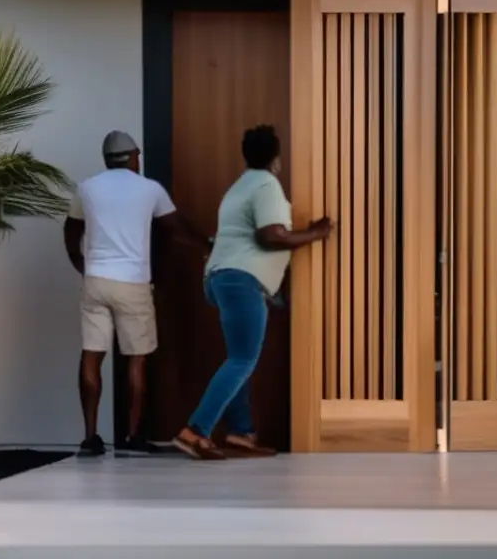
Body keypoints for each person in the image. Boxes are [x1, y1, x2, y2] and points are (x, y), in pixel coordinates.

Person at [173, 124, 332, 461]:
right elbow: (270, 236)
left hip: (222, 277)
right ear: (276, 158)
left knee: (238, 359)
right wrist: (315, 234)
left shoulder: (239, 187)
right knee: (242, 359)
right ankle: (195, 432)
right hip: (240, 279)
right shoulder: (266, 184)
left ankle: (241, 433)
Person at [64, 130, 210, 457]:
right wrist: (207, 247)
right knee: (136, 359)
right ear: (132, 157)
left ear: (106, 159)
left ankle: (90, 437)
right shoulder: (150, 189)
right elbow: (175, 229)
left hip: (96, 279)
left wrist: (81, 263)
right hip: (133, 283)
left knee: (92, 354)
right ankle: (132, 437)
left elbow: (71, 230)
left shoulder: (87, 188)